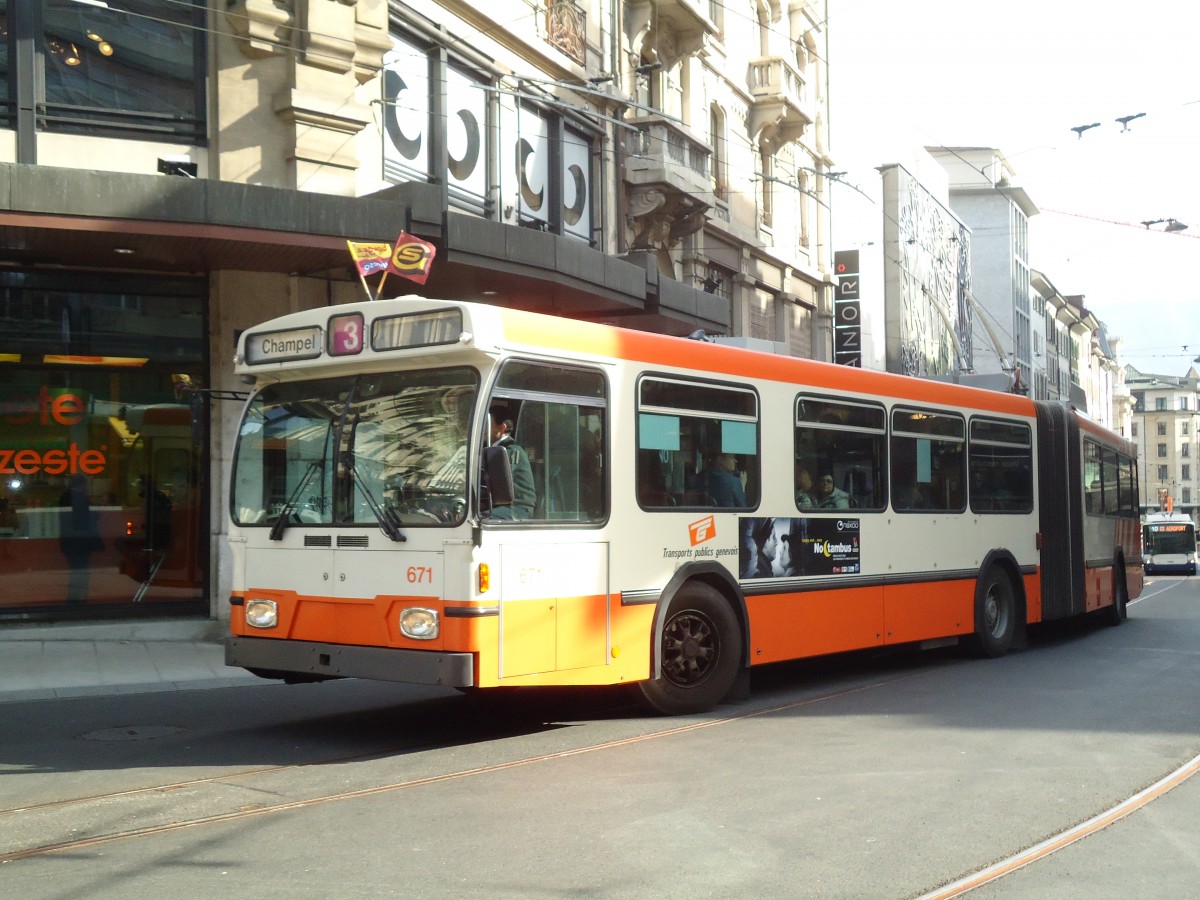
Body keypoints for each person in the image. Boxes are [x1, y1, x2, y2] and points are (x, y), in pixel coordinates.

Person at [58, 474, 102, 604]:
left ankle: (74, 600)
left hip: (69, 540)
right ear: (83, 485)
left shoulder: (65, 496)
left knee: (76, 570)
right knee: (81, 571)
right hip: (80, 540)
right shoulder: (80, 497)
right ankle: (77, 601)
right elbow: (91, 517)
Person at [487, 404, 536, 520]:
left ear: (502, 428)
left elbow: (497, 477)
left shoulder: (511, 450)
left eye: (488, 425)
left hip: (518, 508)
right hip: (501, 506)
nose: (483, 429)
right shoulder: (494, 448)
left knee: (478, 519)